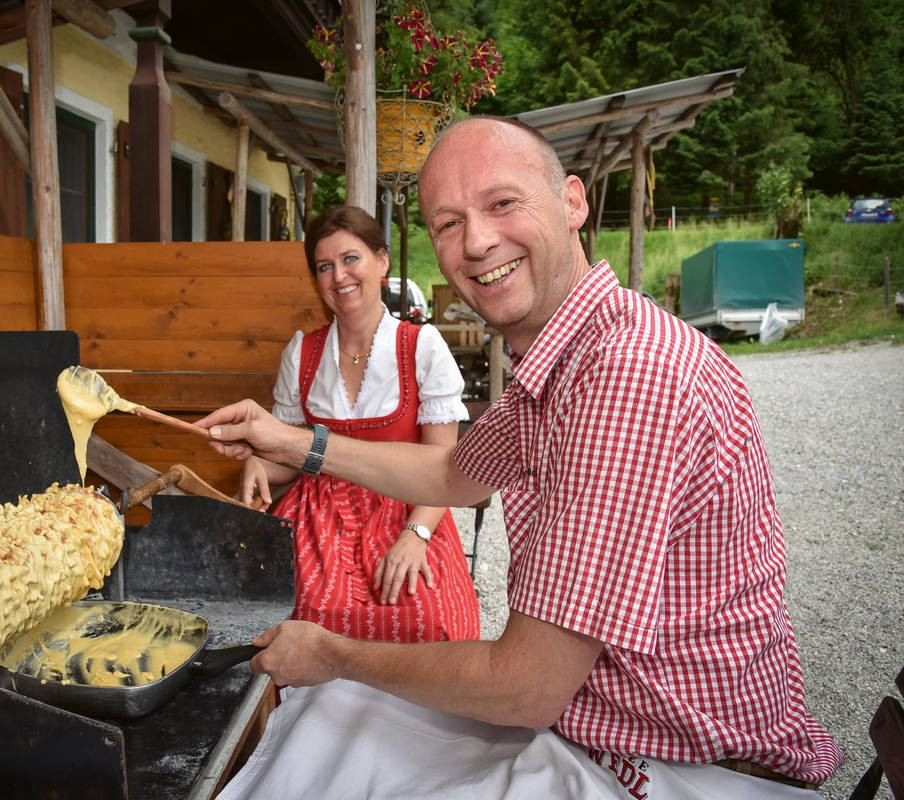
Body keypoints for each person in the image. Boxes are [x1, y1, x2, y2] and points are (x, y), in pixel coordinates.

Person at [201, 117, 842, 797]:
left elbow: (526, 688)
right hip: (596, 724)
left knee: (319, 735)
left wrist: (332, 652)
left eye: (502, 203)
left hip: (675, 764)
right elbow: (455, 475)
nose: (476, 242)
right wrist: (292, 442)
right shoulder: (564, 358)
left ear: (572, 201)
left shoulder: (626, 372)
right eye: (448, 224)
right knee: (325, 727)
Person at [243, 205, 479, 644]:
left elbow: (445, 468)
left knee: (428, 619)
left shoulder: (421, 347)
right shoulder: (302, 353)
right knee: (295, 616)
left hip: (407, 510)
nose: (339, 276)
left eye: (351, 258)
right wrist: (260, 465)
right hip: (316, 521)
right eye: (325, 266)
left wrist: (417, 534)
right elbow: (288, 457)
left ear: (381, 261)